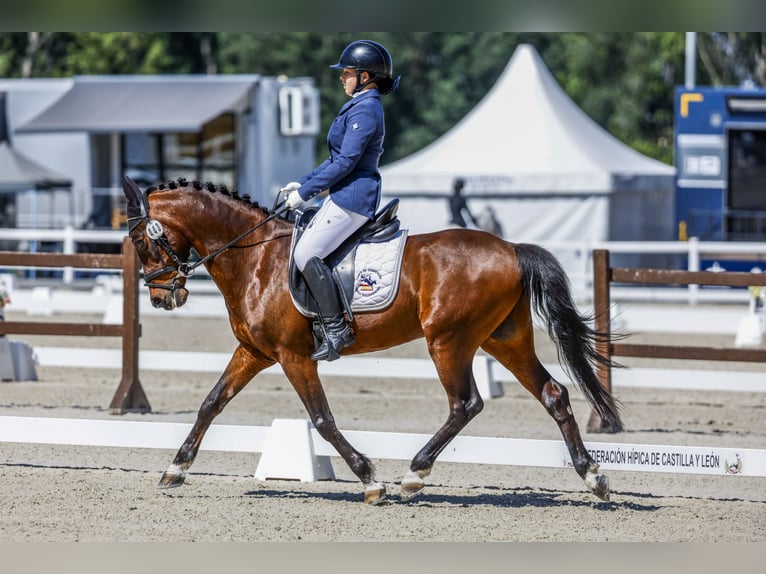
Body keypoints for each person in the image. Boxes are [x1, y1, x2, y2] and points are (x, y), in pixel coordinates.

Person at [281, 39, 400, 362]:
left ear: (365, 76)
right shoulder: (358, 104)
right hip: (342, 194)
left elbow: (346, 162)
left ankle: (336, 329)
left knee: (307, 253)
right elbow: (333, 158)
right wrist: (302, 183)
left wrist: (305, 194)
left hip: (353, 198)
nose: (341, 77)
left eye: (347, 72)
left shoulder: (368, 108)